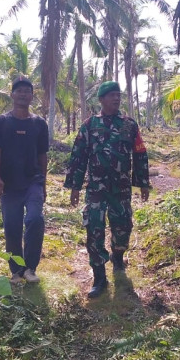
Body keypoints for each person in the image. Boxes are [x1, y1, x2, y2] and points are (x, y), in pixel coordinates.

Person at [64, 81, 150, 298]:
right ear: (101, 100)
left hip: (121, 190)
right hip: (96, 189)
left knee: (123, 227)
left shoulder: (130, 125)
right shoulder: (89, 125)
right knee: (94, 229)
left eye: (118, 95)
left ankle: (118, 257)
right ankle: (99, 276)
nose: (116, 99)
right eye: (111, 95)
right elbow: (78, 157)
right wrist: (74, 186)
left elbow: (139, 154)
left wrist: (142, 183)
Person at [0, 76, 49, 284]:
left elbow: (42, 156)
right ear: (12, 95)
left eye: (27, 91)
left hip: (33, 182)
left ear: (32, 96)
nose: (23, 94)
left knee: (35, 219)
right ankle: (15, 270)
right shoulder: (1, 122)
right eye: (19, 91)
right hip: (9, 184)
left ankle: (30, 268)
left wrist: (44, 184)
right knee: (12, 226)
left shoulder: (39, 124)